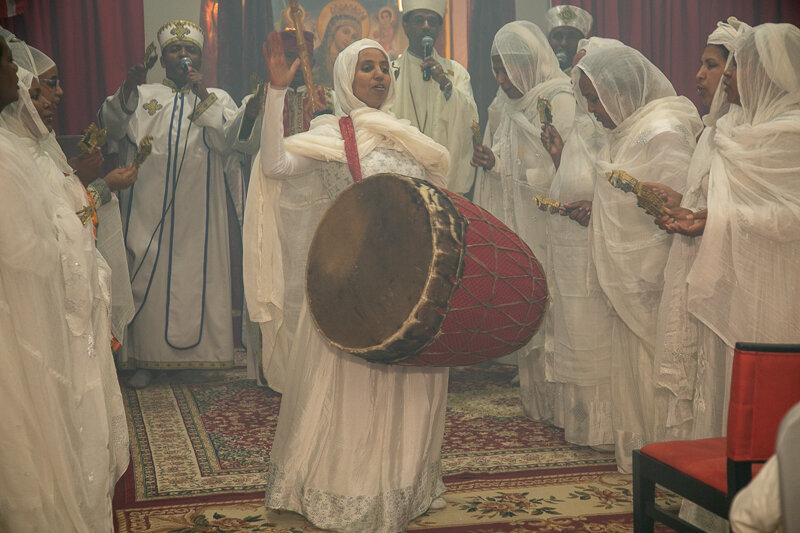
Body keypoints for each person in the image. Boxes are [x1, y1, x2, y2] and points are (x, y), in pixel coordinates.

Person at [248, 37, 450, 532]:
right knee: (353, 395)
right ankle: (348, 489)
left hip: (408, 290)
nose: (379, 75)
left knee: (408, 389)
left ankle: (404, 486)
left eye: (384, 67)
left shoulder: (407, 137)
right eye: (366, 68)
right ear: (345, 79)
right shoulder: (330, 138)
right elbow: (275, 166)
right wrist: (277, 92)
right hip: (350, 297)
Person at [0, 45, 129, 530]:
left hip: (72, 314)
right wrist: (96, 190)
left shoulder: (38, 151)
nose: (51, 97)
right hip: (44, 318)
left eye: (52, 86)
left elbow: (66, 220)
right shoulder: (13, 155)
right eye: (38, 88)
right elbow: (34, 248)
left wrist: (92, 189)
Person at [99, 20, 259, 387]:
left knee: (195, 279)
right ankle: (145, 359)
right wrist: (127, 87)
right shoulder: (142, 94)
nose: (184, 56)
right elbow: (111, 126)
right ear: (163, 58)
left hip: (199, 211)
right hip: (147, 206)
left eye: (191, 50)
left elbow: (230, 143)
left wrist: (202, 94)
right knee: (148, 279)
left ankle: (200, 359)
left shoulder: (216, 97)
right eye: (176, 50)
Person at [571, 45, 702, 472]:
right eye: (587, 99)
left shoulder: (663, 129)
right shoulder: (625, 130)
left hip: (658, 271)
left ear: (619, 90)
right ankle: (647, 455)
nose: (592, 110)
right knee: (633, 365)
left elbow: (682, 204)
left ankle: (674, 460)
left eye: (596, 98)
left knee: (659, 362)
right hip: (629, 271)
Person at [652, 17, 751, 446]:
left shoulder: (750, 134)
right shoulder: (713, 131)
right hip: (699, 271)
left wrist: (706, 218)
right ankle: (700, 477)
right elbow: (708, 201)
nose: (700, 75)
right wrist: (681, 203)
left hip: (735, 283)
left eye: (713, 66)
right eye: (703, 64)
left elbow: (753, 212)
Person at [471, 20, 575, 424]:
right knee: (531, 304)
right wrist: (490, 164)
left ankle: (566, 409)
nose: (501, 79)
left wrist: (514, 168)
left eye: (507, 69)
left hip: (553, 225)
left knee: (558, 311)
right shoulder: (502, 103)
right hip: (520, 224)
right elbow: (506, 158)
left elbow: (570, 169)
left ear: (528, 63)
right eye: (495, 70)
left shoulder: (559, 98)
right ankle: (539, 406)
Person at [538, 37, 622, 449]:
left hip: (598, 252)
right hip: (571, 247)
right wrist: (558, 158)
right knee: (573, 327)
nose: (580, 77)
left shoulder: (616, 126)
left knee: (597, 335)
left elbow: (619, 189)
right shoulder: (582, 125)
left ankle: (607, 430)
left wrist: (597, 207)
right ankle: (581, 423)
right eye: (578, 69)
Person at [243, 30, 336, 389]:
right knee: (276, 280)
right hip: (274, 199)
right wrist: (257, 110)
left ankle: (317, 374)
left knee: (312, 283)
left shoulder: (327, 97)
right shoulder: (264, 94)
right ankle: (279, 368)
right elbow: (248, 146)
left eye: (302, 57)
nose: (296, 64)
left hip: (316, 203)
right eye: (289, 56)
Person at [390, 0, 478, 195]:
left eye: (432, 21)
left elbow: (471, 124)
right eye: (419, 20)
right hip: (403, 182)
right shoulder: (389, 73)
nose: (426, 26)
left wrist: (446, 85)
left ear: (439, 27)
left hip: (445, 182)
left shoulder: (456, 73)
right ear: (406, 25)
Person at [312, 0, 369, 88]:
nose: (349, 39)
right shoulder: (315, 58)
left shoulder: (353, 65)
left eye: (354, 37)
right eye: (346, 32)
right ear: (333, 31)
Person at [545, 4, 593, 72]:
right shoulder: (538, 74)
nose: (563, 43)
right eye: (558, 36)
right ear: (549, 40)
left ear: (583, 43)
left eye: (571, 37)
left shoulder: (587, 78)